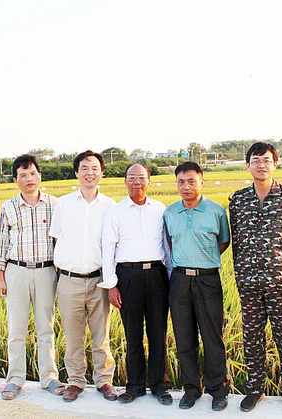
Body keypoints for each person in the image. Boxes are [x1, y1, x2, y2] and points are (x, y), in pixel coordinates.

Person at [229, 142, 282, 415]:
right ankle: (255, 389)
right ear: (248, 165)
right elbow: (236, 241)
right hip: (249, 283)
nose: (261, 165)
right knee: (252, 337)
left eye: (266, 160)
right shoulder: (238, 200)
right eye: (256, 160)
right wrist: (240, 275)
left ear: (275, 163)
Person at [0, 154, 64, 400]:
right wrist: (1, 279)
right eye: (23, 175)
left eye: (32, 173)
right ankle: (14, 379)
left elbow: (61, 241)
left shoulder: (55, 205)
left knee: (46, 327)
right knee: (17, 328)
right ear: (15, 180)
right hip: (17, 272)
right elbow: (0, 245)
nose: (29, 179)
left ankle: (49, 377)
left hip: (46, 271)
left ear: (39, 176)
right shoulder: (8, 208)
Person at [101, 163, 173, 405]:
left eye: (141, 177)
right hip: (127, 276)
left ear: (148, 181)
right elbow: (107, 249)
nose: (136, 182)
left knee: (157, 333)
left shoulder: (160, 209)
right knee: (133, 334)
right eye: (131, 177)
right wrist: (111, 285)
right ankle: (135, 386)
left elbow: (167, 248)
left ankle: (159, 385)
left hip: (156, 275)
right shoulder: (115, 211)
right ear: (125, 181)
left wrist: (171, 279)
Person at [50, 150, 118, 402]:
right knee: (73, 336)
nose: (90, 173)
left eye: (94, 168)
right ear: (77, 172)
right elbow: (56, 238)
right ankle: (76, 381)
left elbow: (113, 245)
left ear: (102, 172)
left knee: (101, 335)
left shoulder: (110, 206)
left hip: (100, 280)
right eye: (85, 168)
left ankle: (104, 381)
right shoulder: (63, 204)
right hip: (69, 280)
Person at [163, 161, 231, 411]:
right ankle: (191, 389)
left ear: (202, 181)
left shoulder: (216, 211)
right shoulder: (170, 213)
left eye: (191, 181)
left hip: (208, 280)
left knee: (213, 336)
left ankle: (218, 390)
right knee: (184, 337)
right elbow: (170, 244)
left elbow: (223, 242)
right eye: (181, 182)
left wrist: (203, 260)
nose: (186, 186)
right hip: (180, 279)